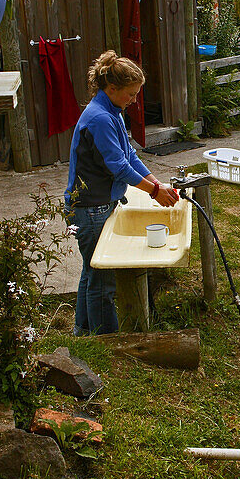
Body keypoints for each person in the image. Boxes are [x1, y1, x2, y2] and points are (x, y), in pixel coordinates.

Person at [65, 50, 178, 335]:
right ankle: (108, 341)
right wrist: (154, 191)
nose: (134, 100)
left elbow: (129, 155)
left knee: (91, 273)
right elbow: (119, 168)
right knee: (103, 280)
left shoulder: (111, 112)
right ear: (111, 88)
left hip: (98, 204)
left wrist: (157, 184)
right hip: (91, 208)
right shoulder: (100, 119)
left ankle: (83, 333)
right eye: (130, 94)